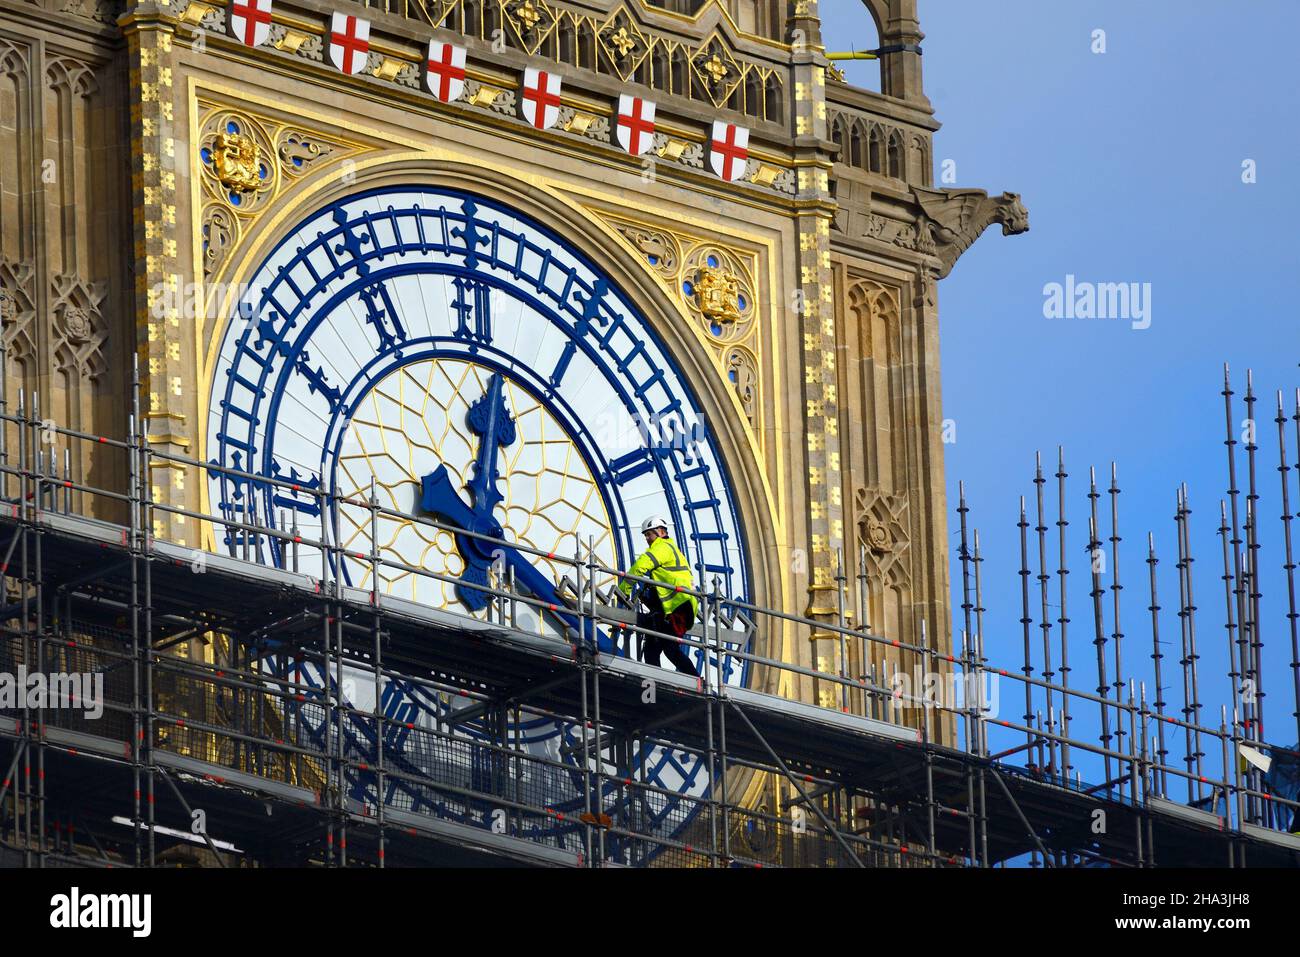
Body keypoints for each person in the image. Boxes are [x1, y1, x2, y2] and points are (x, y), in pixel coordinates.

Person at [617, 516, 699, 676]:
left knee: (668, 649)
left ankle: (694, 680)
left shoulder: (662, 547)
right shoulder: (673, 549)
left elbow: (640, 567)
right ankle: (657, 681)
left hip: (676, 607)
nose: (647, 539)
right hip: (682, 607)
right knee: (653, 647)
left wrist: (623, 590)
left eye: (649, 534)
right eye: (645, 535)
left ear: (660, 532)